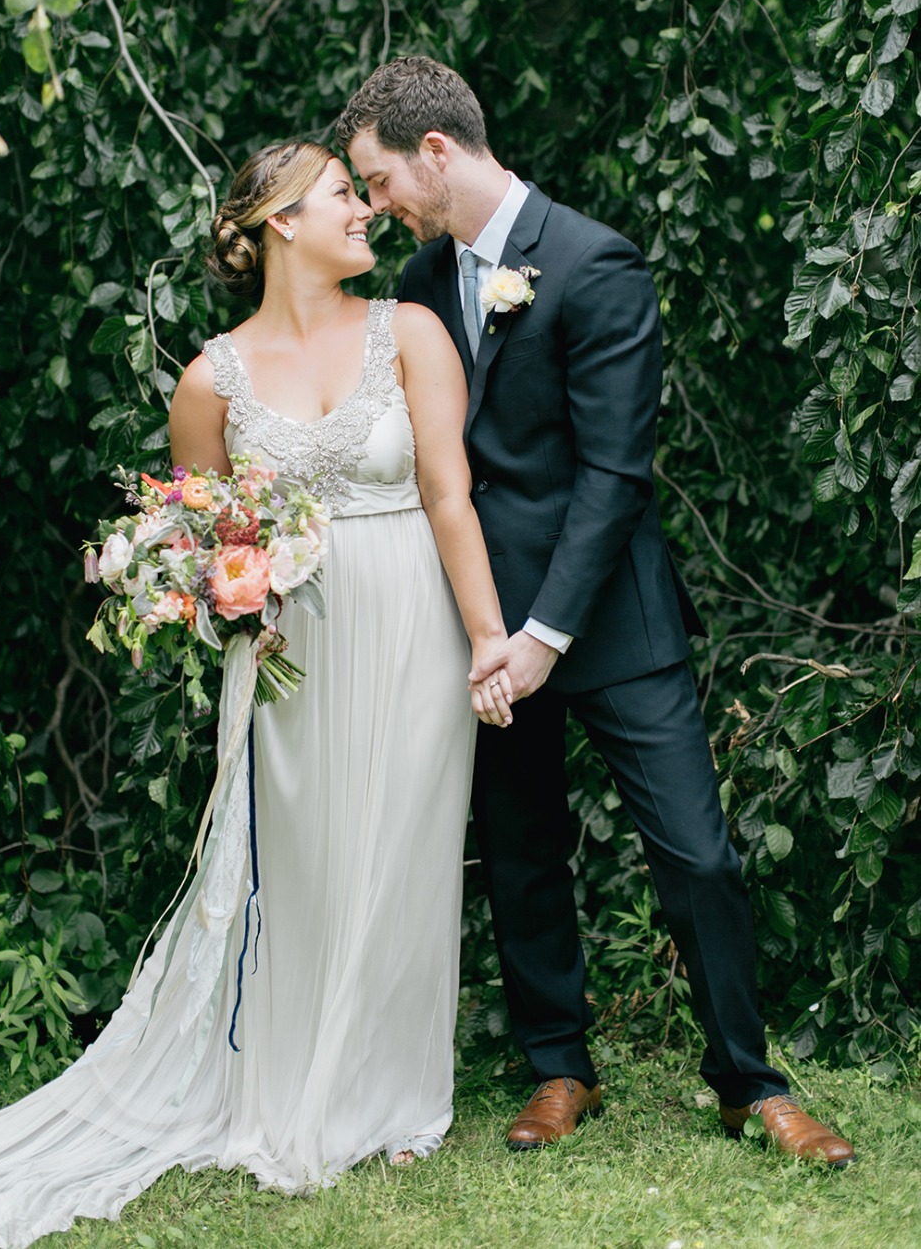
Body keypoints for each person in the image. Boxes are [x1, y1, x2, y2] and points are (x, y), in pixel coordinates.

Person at [0, 141, 516, 1247]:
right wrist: (211, 592)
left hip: (412, 622)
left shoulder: (413, 333)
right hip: (290, 647)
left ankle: (392, 1097)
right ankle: (295, 1085)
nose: (365, 212)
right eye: (345, 195)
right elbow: (197, 534)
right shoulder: (213, 379)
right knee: (306, 856)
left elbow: (448, 495)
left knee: (404, 846)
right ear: (281, 221)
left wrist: (488, 640)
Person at [336, 56, 856, 1167]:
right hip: (476, 624)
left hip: (606, 625)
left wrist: (543, 638)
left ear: (437, 151)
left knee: (697, 855)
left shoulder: (593, 263)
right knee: (521, 852)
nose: (377, 209)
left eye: (379, 181)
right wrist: (488, 634)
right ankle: (557, 1066)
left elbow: (614, 476)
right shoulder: (419, 289)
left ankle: (746, 1081)